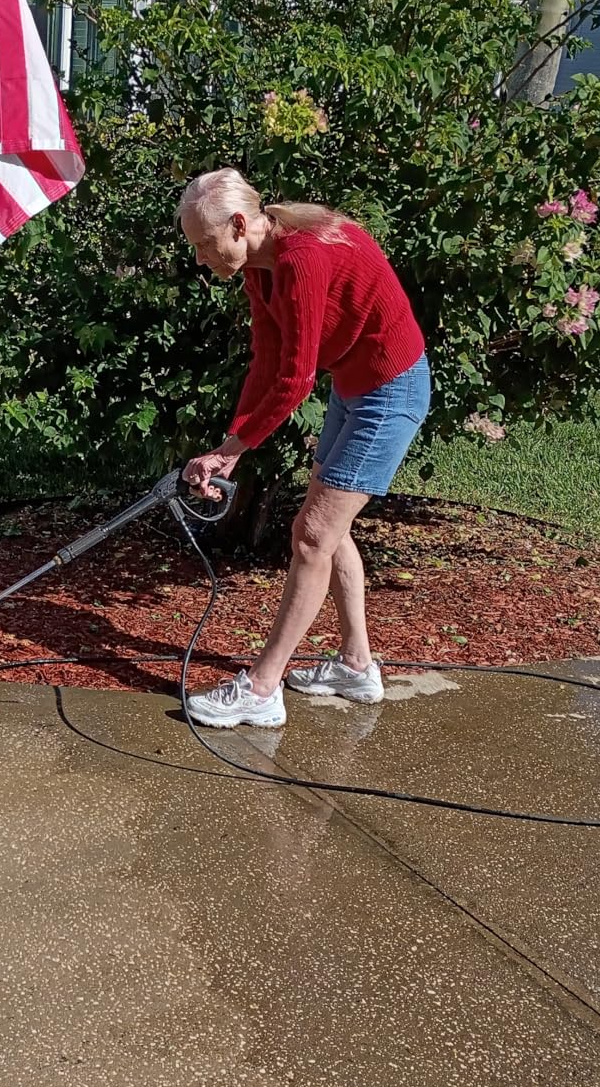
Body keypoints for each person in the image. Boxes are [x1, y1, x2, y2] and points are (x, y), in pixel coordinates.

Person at [176, 167, 430, 729]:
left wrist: (234, 450)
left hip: (390, 390)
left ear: (239, 225)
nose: (200, 258)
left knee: (313, 536)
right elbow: (267, 363)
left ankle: (262, 690)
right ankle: (357, 667)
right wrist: (229, 445)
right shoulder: (260, 272)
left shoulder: (301, 259)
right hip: (355, 386)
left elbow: (295, 380)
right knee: (324, 531)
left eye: (203, 244)